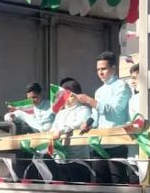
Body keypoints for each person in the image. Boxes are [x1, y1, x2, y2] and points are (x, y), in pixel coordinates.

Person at [77, 52, 131, 183]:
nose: (100, 73)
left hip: (117, 142)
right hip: (100, 144)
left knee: (118, 182)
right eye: (98, 70)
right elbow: (96, 114)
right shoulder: (99, 91)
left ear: (113, 68)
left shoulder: (122, 86)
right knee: (100, 182)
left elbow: (115, 113)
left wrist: (90, 101)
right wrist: (88, 123)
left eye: (103, 69)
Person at [50, 79, 94, 182]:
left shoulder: (84, 110)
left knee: (80, 190)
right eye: (64, 96)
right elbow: (53, 129)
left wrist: (61, 130)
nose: (66, 99)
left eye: (70, 96)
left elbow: (77, 124)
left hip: (78, 159)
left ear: (77, 96)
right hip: (60, 159)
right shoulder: (60, 113)